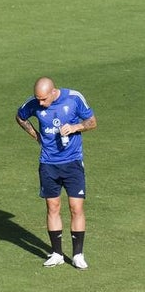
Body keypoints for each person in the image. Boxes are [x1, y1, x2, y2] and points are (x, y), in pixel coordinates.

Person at [15, 78, 97, 269]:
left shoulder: (74, 98)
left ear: (53, 92)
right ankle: (57, 253)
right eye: (38, 99)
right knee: (53, 207)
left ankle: (78, 255)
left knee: (75, 207)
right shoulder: (34, 103)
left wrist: (76, 127)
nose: (40, 103)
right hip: (48, 164)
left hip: (73, 163)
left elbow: (92, 122)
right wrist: (36, 136)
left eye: (43, 99)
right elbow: (20, 116)